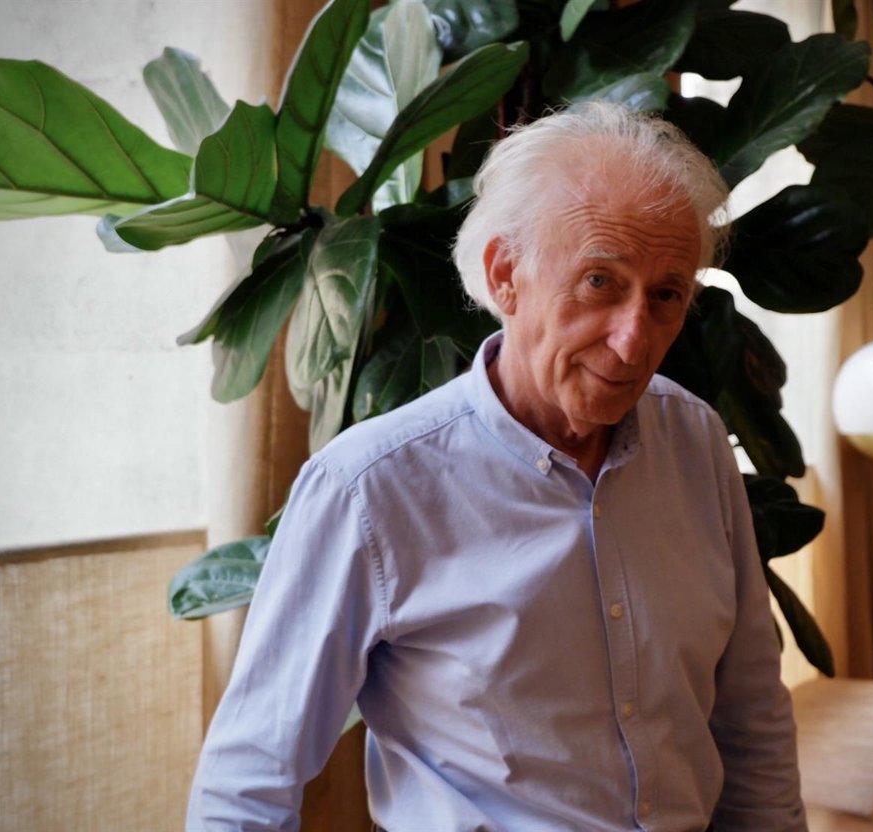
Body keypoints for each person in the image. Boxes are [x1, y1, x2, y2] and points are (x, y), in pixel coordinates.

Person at [186, 102, 805, 831]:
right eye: (599, 282)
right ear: (506, 275)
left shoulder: (695, 441)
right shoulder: (369, 489)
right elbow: (248, 784)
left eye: (666, 295)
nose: (634, 341)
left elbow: (751, 717)